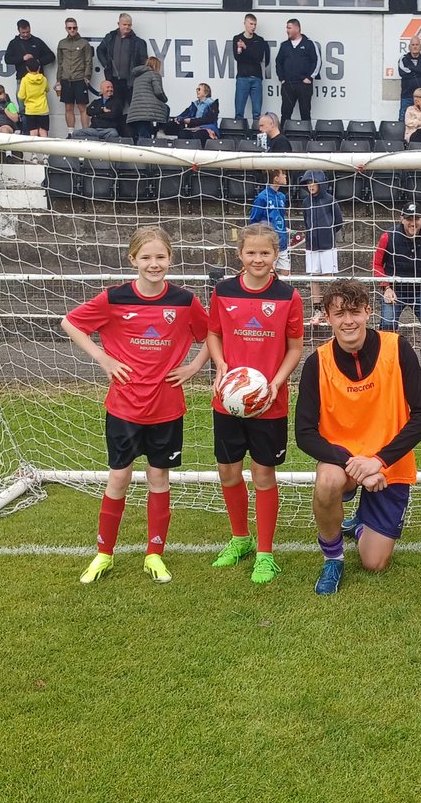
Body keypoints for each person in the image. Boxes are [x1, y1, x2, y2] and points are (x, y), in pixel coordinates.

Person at [62, 226, 210, 586]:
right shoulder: (114, 298)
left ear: (170, 260)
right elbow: (70, 322)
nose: (154, 264)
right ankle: (103, 554)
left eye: (160, 257)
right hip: (124, 407)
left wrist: (193, 366)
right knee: (119, 477)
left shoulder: (184, 301)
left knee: (159, 479)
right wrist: (102, 358)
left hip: (167, 407)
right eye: (146, 257)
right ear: (133, 260)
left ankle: (154, 554)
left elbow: (211, 335)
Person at [294, 278, 421, 595]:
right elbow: (304, 434)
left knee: (374, 563)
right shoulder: (317, 362)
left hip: (387, 464)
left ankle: (357, 523)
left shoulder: (396, 348)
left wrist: (379, 461)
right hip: (343, 463)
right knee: (327, 481)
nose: (348, 321)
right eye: (339, 314)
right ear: (327, 317)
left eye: (354, 311)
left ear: (368, 311)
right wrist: (356, 465)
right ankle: (333, 558)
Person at [206, 223, 305, 586]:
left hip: (269, 404)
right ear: (240, 255)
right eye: (251, 253)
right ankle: (240, 539)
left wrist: (276, 384)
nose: (258, 259)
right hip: (228, 402)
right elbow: (213, 333)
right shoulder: (224, 291)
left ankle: (265, 553)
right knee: (229, 473)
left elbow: (295, 347)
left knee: (264, 476)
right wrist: (219, 366)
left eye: (265, 253)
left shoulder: (288, 296)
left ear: (276, 254)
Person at [373, 203, 421, 369]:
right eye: (408, 219)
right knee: (387, 323)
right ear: (401, 219)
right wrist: (386, 287)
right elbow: (377, 264)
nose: (412, 223)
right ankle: (387, 358)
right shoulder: (388, 236)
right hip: (396, 290)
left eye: (416, 218)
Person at [300, 169, 343, 324]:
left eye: (312, 182)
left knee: (329, 277)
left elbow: (338, 222)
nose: (310, 186)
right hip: (311, 245)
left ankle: (332, 308)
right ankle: (317, 309)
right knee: (314, 278)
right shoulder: (306, 202)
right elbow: (306, 221)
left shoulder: (330, 200)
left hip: (328, 245)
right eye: (307, 183)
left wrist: (327, 233)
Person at [97, 14, 148, 112]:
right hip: (113, 80)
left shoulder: (138, 42)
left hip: (130, 81)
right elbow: (100, 50)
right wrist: (106, 64)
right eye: (124, 24)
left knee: (134, 109)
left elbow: (144, 61)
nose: (127, 27)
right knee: (115, 108)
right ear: (118, 24)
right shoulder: (110, 37)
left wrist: (137, 74)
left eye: (129, 25)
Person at [4, 19, 55, 115]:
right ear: (18, 30)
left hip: (37, 80)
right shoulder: (14, 43)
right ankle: (25, 128)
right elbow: (8, 59)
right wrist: (22, 58)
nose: (26, 34)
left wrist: (37, 61)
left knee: (39, 107)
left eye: (27, 32)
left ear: (30, 28)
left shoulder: (37, 41)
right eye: (23, 32)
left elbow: (51, 56)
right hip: (22, 78)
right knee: (22, 105)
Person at [275, 18, 321, 122]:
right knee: (285, 113)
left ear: (297, 29)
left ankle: (307, 137)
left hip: (303, 85)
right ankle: (283, 136)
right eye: (287, 28)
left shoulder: (309, 43)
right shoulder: (284, 45)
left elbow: (317, 61)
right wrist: (282, 78)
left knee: (305, 112)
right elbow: (278, 62)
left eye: (289, 28)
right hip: (288, 84)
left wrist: (309, 77)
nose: (287, 30)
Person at [54, 18, 94, 132]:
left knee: (82, 107)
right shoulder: (62, 43)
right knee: (68, 107)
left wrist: (87, 77)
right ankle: (70, 133)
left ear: (77, 28)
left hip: (80, 78)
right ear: (66, 28)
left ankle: (86, 132)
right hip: (66, 79)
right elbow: (60, 63)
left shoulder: (84, 43)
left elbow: (88, 61)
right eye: (70, 28)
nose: (72, 30)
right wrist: (58, 79)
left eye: (74, 27)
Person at [248, 169, 291, 272]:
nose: (286, 176)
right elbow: (254, 220)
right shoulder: (262, 197)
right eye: (283, 174)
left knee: (286, 273)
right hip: (269, 242)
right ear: (276, 179)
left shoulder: (282, 197)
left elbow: (281, 217)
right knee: (270, 273)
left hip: (282, 242)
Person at [232, 14, 270, 122]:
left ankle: (256, 135)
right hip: (242, 77)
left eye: (255, 24)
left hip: (256, 78)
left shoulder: (259, 40)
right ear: (245, 23)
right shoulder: (237, 39)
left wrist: (246, 48)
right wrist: (248, 53)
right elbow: (237, 57)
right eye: (251, 24)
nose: (253, 27)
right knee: (239, 111)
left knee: (257, 113)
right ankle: (238, 135)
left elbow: (258, 57)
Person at [125, 56, 168, 142]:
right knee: (166, 108)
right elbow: (159, 91)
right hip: (147, 109)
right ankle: (160, 131)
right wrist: (165, 99)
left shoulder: (137, 77)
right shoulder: (154, 74)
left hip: (136, 111)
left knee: (143, 133)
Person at [397, 37, 421, 122]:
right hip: (407, 96)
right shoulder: (403, 59)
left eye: (417, 44)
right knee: (403, 120)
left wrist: (411, 68)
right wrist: (420, 70)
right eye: (413, 45)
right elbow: (403, 73)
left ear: (420, 47)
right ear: (409, 47)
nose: (415, 47)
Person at [17, 56, 50, 138]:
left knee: (33, 131)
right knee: (43, 131)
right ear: (39, 67)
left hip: (30, 110)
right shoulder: (44, 79)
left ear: (27, 68)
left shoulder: (25, 80)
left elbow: (21, 96)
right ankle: (45, 149)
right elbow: (47, 89)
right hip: (43, 109)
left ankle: (34, 150)